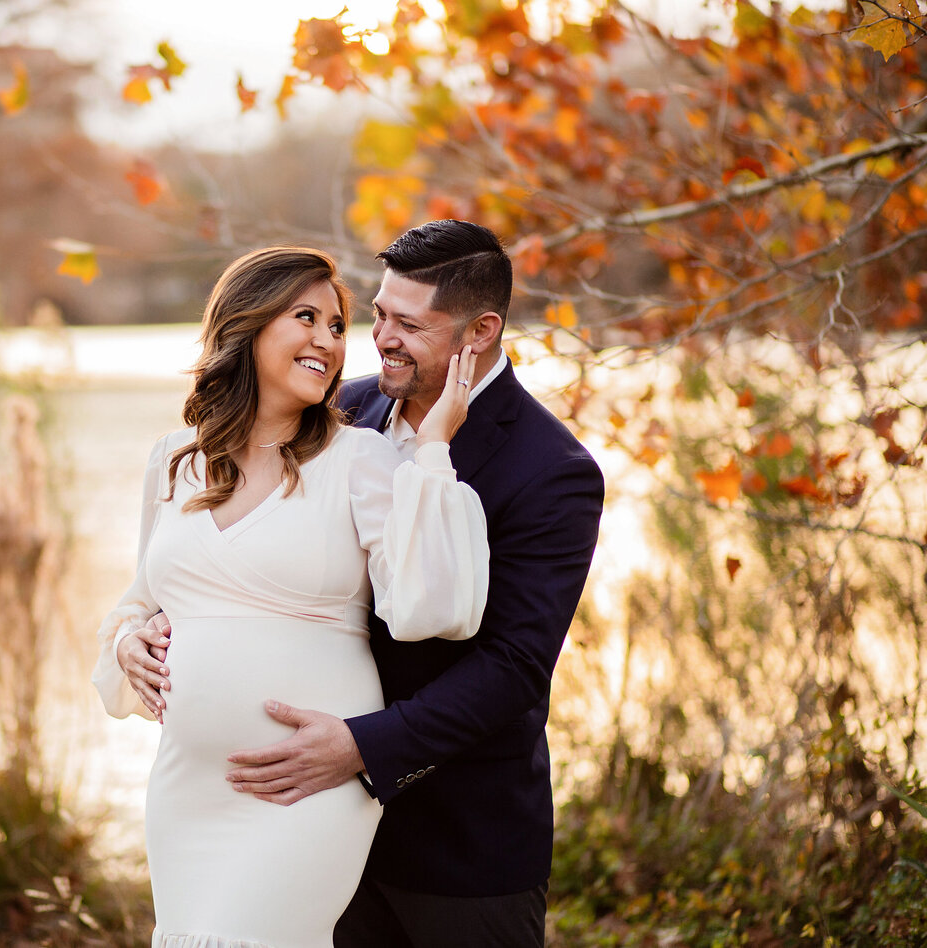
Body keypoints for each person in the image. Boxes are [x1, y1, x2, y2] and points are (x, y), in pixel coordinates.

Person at [126, 221, 604, 947]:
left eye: (408, 325)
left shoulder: (551, 469)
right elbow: (211, 562)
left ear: (479, 333)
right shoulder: (336, 410)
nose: (378, 338)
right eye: (378, 314)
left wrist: (361, 747)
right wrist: (140, 634)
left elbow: (513, 669)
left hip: (456, 842)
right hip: (282, 810)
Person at [92, 246, 491, 948]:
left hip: (306, 790)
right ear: (245, 326)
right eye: (305, 317)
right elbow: (141, 597)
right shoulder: (175, 461)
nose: (329, 341)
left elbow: (434, 608)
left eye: (337, 326)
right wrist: (127, 642)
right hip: (188, 788)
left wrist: (432, 450)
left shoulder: (360, 459)